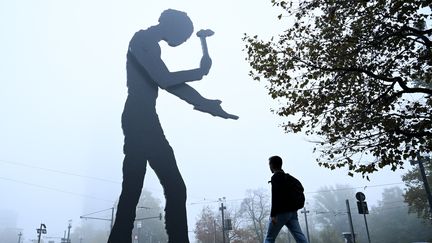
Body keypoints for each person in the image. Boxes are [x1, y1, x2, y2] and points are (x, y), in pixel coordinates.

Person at [108, 9, 237, 243]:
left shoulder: (151, 45)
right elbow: (165, 79)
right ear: (171, 26)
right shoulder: (141, 40)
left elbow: (173, 85)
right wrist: (199, 72)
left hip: (145, 117)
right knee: (148, 186)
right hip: (139, 118)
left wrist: (206, 103)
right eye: (185, 35)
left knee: (153, 186)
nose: (185, 40)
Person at [264, 155, 308, 243]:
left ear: (272, 165)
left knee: (269, 238)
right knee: (299, 236)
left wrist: (273, 215)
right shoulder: (289, 178)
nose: (269, 167)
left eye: (269, 164)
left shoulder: (275, 177)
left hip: (280, 213)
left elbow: (275, 197)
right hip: (292, 213)